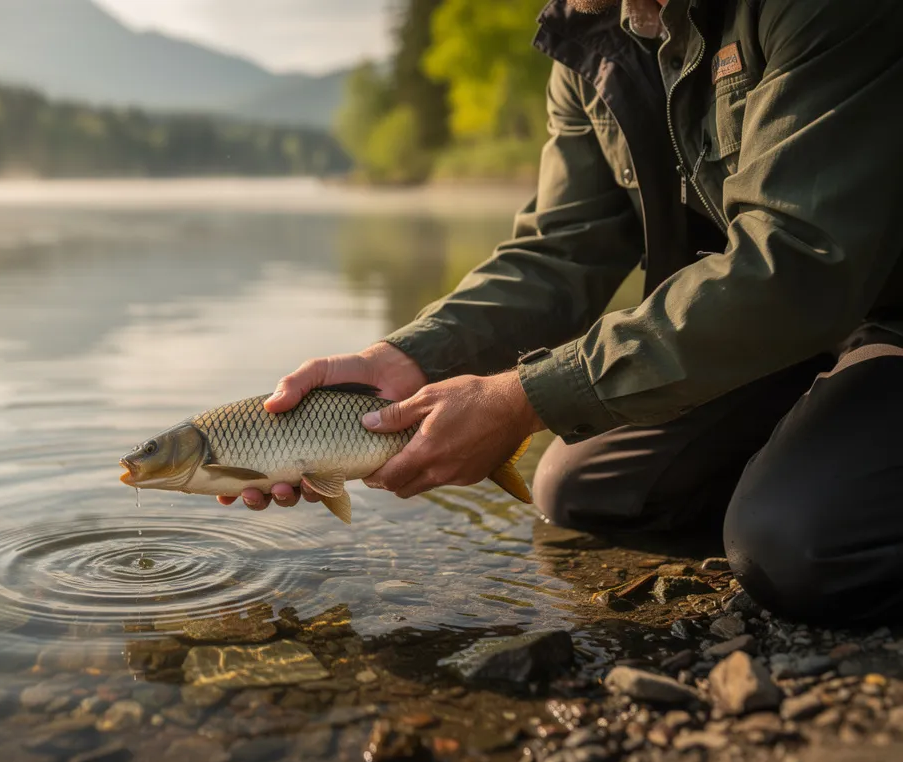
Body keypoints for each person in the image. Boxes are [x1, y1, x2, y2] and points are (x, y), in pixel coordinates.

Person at [219, 0, 903, 627]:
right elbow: (563, 250)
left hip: (881, 315)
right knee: (583, 489)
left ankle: (809, 499)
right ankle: (814, 464)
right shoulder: (590, 41)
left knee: (795, 546)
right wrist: (408, 358)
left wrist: (525, 398)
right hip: (782, 334)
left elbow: (798, 262)